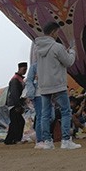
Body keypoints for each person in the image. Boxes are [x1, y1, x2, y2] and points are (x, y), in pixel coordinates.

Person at [35, 21, 81, 150]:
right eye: (57, 32)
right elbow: (69, 62)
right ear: (53, 32)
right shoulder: (57, 47)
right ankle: (66, 140)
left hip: (44, 86)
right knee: (66, 111)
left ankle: (47, 141)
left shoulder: (37, 48)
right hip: (57, 85)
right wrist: (72, 52)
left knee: (45, 115)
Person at [4, 62, 27, 145]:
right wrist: (18, 105)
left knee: (15, 122)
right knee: (19, 122)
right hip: (14, 104)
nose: (25, 71)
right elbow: (15, 93)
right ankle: (16, 139)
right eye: (24, 69)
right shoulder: (15, 80)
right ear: (19, 69)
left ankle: (9, 140)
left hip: (14, 104)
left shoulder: (18, 79)